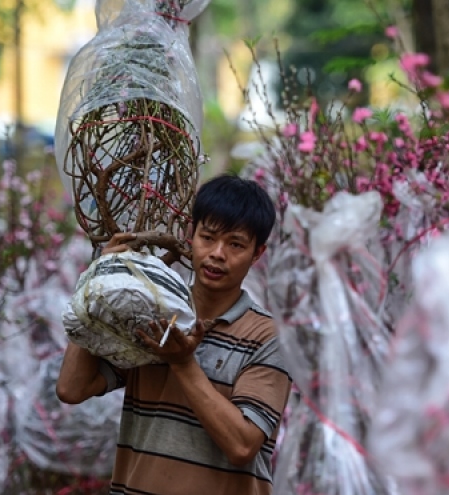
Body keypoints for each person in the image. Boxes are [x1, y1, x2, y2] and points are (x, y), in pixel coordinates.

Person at [56, 174, 291, 495]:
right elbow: (71, 388)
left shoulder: (267, 337)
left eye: (236, 244)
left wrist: (182, 364)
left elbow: (242, 445)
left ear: (257, 253)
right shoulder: (151, 313)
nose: (218, 253)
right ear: (190, 235)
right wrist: (99, 286)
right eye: (208, 237)